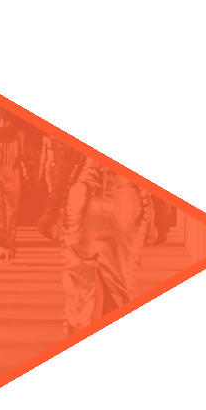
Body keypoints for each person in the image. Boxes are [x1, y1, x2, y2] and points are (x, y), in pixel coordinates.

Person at [46, 140, 156, 336]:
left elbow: (67, 161)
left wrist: (53, 210)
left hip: (85, 196)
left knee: (81, 281)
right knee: (119, 283)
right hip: (126, 199)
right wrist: (154, 215)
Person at [0, 105, 32, 262]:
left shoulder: (19, 132)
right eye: (1, 109)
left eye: (6, 109)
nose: (3, 112)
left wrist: (26, 173)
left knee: (11, 214)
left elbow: (22, 154)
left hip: (13, 174)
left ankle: (9, 246)